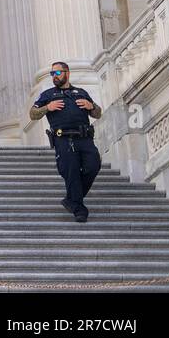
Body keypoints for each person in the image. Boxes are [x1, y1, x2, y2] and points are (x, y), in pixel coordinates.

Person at [29, 61, 103, 222]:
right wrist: (47, 107)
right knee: (71, 172)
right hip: (63, 140)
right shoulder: (48, 95)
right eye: (52, 74)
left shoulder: (81, 92)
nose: (54, 77)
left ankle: (72, 199)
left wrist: (91, 106)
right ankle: (79, 209)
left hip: (84, 138)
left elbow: (97, 114)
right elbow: (33, 114)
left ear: (67, 73)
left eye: (57, 73)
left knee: (93, 165)